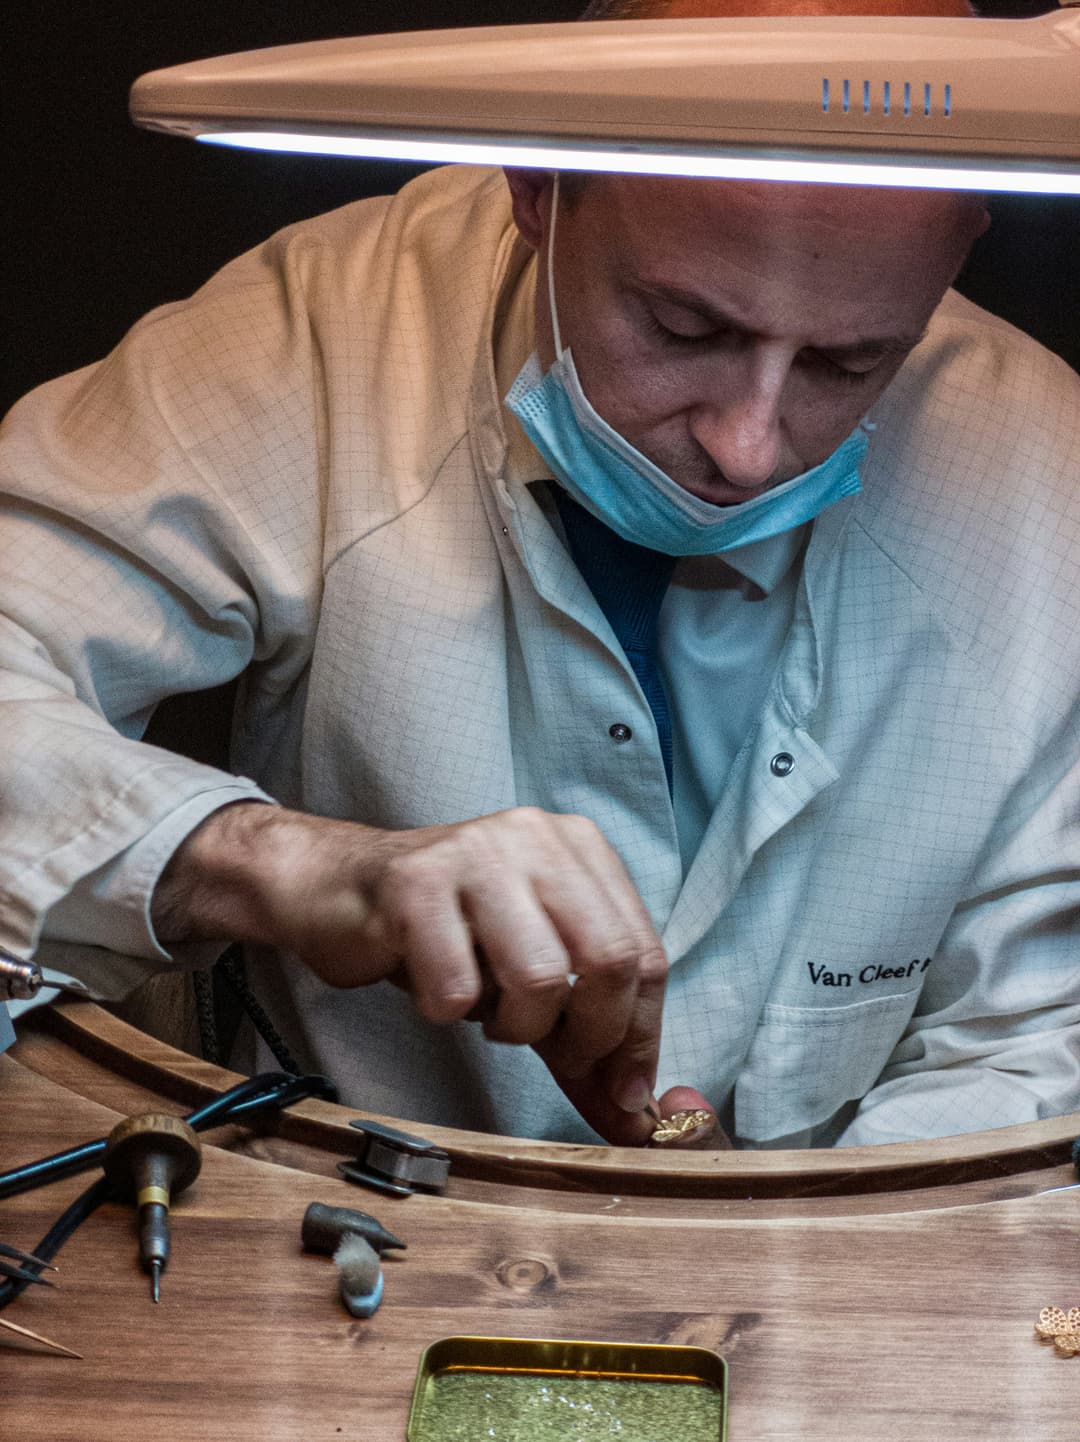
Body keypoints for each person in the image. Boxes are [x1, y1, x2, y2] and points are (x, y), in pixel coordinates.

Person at [1, 0, 1077, 1150]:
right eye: (682, 328)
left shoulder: (1043, 479)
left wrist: (786, 1239)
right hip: (344, 1238)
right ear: (536, 187)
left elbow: (1035, 1039)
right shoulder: (322, 337)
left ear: (966, 234)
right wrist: (282, 865)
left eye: (848, 362)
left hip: (851, 1292)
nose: (749, 445)